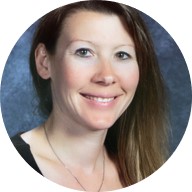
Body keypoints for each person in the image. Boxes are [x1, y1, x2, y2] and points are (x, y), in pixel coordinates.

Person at [11, 0, 169, 191]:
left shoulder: (146, 169)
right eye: (84, 52)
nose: (107, 76)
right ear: (44, 62)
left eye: (122, 55)